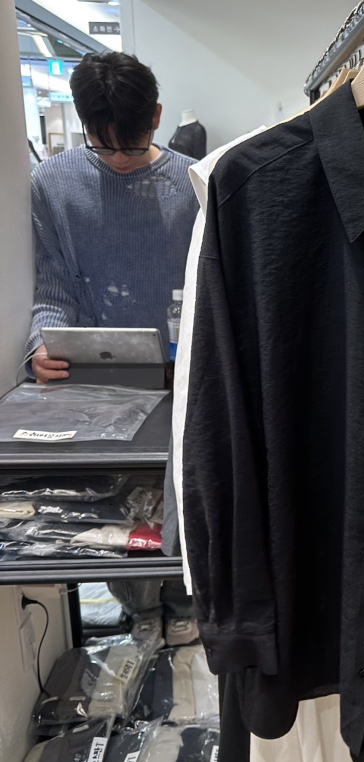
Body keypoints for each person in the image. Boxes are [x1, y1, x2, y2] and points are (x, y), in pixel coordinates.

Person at [25, 52, 200, 646]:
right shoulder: (53, 183)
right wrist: (40, 346)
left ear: (156, 116)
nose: (120, 159)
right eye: (103, 147)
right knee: (117, 506)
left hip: (186, 377)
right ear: (83, 126)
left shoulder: (193, 183)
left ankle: (185, 602)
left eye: (132, 144)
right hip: (99, 382)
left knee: (185, 494)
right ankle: (139, 610)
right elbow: (53, 286)